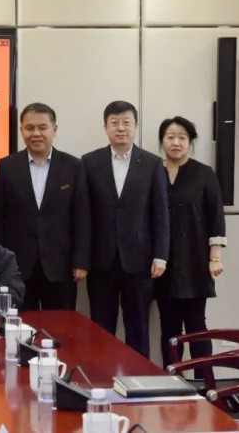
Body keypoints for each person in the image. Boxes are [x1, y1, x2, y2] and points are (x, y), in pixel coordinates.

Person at [81, 100, 170, 358]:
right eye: (114, 123)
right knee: (101, 327)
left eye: (126, 122)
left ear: (136, 126)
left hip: (140, 260)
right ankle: (101, 375)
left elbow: (160, 213)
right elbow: (84, 215)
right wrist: (82, 260)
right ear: (105, 127)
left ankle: (138, 377)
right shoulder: (89, 162)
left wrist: (161, 255)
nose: (121, 128)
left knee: (138, 327)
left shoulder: (152, 163)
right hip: (101, 260)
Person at [0, 103, 89, 310]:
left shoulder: (73, 166)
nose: (36, 133)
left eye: (42, 127)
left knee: (61, 324)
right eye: (29, 128)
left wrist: (81, 261)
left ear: (54, 129)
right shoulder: (6, 167)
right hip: (17, 266)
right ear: (21, 130)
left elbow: (82, 217)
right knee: (20, 323)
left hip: (60, 265)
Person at [156, 116, 226, 368]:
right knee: (169, 327)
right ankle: (172, 378)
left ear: (190, 142)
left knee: (196, 324)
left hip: (195, 260)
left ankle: (203, 380)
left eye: (182, 138)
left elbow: (216, 217)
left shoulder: (204, 173)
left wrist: (215, 257)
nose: (176, 142)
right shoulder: (153, 172)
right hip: (162, 261)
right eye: (170, 137)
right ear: (162, 141)